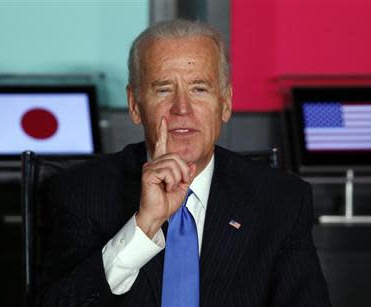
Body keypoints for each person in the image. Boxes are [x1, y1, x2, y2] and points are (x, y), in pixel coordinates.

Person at [40, 19, 331, 307]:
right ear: (134, 105)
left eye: (199, 89)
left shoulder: (281, 202)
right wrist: (143, 227)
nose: (182, 108)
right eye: (164, 89)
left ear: (225, 103)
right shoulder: (80, 192)